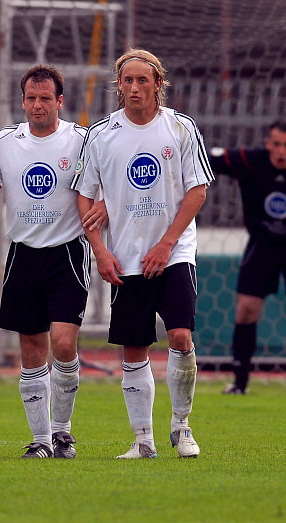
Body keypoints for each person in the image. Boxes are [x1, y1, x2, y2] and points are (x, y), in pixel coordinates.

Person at [72, 48, 214, 460]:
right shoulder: (101, 134)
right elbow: (84, 196)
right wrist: (100, 250)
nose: (135, 87)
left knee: (181, 335)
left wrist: (167, 243)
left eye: (143, 80)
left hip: (173, 252)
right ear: (119, 85)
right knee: (134, 348)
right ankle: (142, 440)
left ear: (158, 85)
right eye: (128, 80)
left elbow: (198, 191)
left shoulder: (181, 129)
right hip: (125, 255)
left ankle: (181, 426)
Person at [0, 65, 106, 459]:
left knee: (64, 342)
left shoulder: (81, 140)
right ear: (22, 102)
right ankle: (39, 440)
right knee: (32, 348)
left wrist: (104, 206)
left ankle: (63, 431)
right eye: (31, 99)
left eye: (45, 99)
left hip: (67, 253)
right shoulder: (5, 142)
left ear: (60, 102)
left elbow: (109, 180)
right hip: (22, 254)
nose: (37, 105)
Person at [209, 118, 286, 396]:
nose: (281, 151)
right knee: (246, 308)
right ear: (268, 144)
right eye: (276, 145)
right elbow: (214, 160)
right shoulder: (252, 160)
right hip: (262, 245)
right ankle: (240, 382)